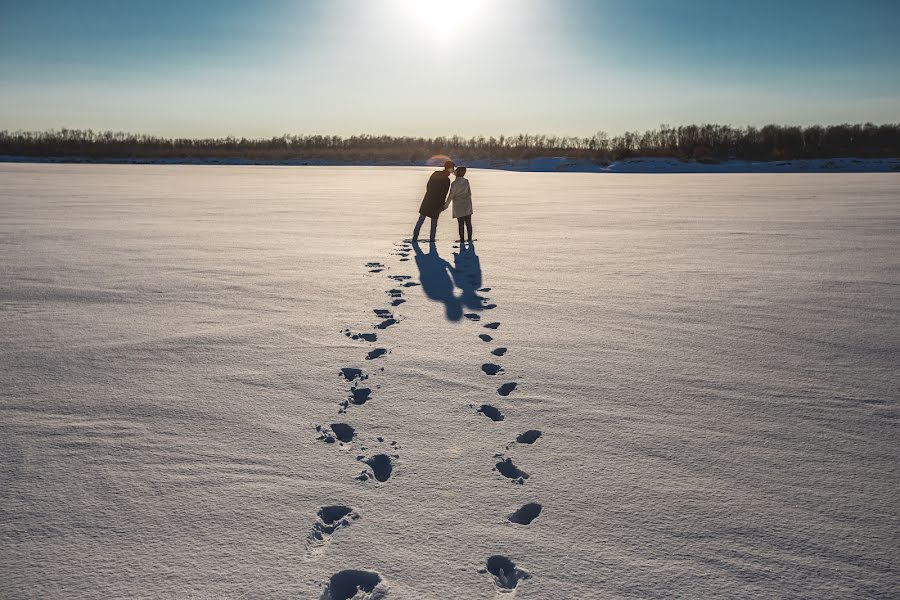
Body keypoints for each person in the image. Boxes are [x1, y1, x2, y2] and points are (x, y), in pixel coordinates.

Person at [413, 160, 454, 242]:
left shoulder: (435, 173)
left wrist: (429, 195)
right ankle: (432, 239)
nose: (453, 170)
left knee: (421, 219)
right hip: (437, 203)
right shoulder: (447, 180)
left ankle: (415, 237)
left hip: (428, 199)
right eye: (453, 168)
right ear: (449, 168)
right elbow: (444, 194)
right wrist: (442, 205)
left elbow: (428, 186)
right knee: (434, 222)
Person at [444, 166, 473, 243]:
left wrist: (446, 205)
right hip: (467, 205)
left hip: (459, 206)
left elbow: (451, 195)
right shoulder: (466, 181)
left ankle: (462, 239)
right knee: (468, 223)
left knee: (461, 224)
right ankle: (470, 239)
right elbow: (469, 193)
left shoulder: (454, 183)